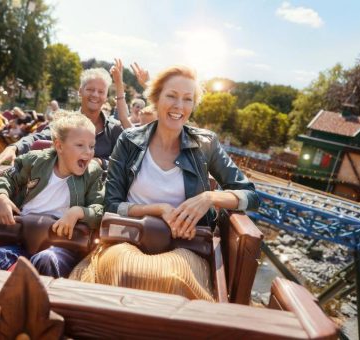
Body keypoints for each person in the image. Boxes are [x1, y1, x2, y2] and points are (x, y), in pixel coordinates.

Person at [69, 64, 259, 300]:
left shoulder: (206, 143)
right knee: (126, 270)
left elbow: (251, 196)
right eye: (171, 96)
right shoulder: (129, 140)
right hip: (129, 238)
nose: (179, 106)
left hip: (185, 246)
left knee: (173, 279)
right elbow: (111, 204)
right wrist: (158, 210)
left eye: (187, 99)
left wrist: (209, 197)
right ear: (156, 99)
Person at [0, 112, 104, 278]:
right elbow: (7, 179)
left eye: (92, 146)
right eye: (80, 145)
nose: (88, 152)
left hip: (62, 243)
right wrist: (2, 197)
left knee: (46, 260)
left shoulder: (92, 173)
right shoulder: (35, 161)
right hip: (21, 237)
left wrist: (78, 212)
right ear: (59, 146)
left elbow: (99, 208)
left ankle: (43, 301)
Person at [0, 68, 123, 170]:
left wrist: (100, 162)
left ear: (106, 97)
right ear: (80, 91)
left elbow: (121, 161)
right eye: (90, 89)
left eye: (101, 92)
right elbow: (39, 137)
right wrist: (14, 148)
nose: (95, 95)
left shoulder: (114, 129)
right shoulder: (65, 122)